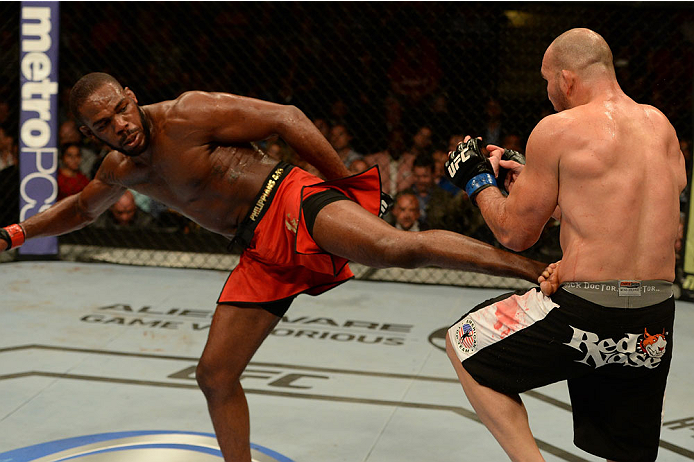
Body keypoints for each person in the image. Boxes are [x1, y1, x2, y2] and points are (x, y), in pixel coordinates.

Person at [0, 72, 549, 462]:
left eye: (120, 108)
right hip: (258, 247)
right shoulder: (119, 169)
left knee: (398, 248)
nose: (119, 124)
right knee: (215, 375)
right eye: (103, 123)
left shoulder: (187, 113)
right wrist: (18, 232)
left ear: (131, 95)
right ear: (90, 133)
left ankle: (532, 267)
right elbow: (78, 209)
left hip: (286, 198)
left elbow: (284, 118)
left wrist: (344, 186)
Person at [444, 29, 686, 462]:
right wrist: (546, 189)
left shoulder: (558, 128)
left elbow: (514, 235)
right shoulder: (661, 126)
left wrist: (478, 181)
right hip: (655, 318)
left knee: (463, 343)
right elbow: (636, 214)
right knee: (626, 451)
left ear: (568, 79)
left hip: (587, 311)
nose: (548, 91)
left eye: (547, 80)